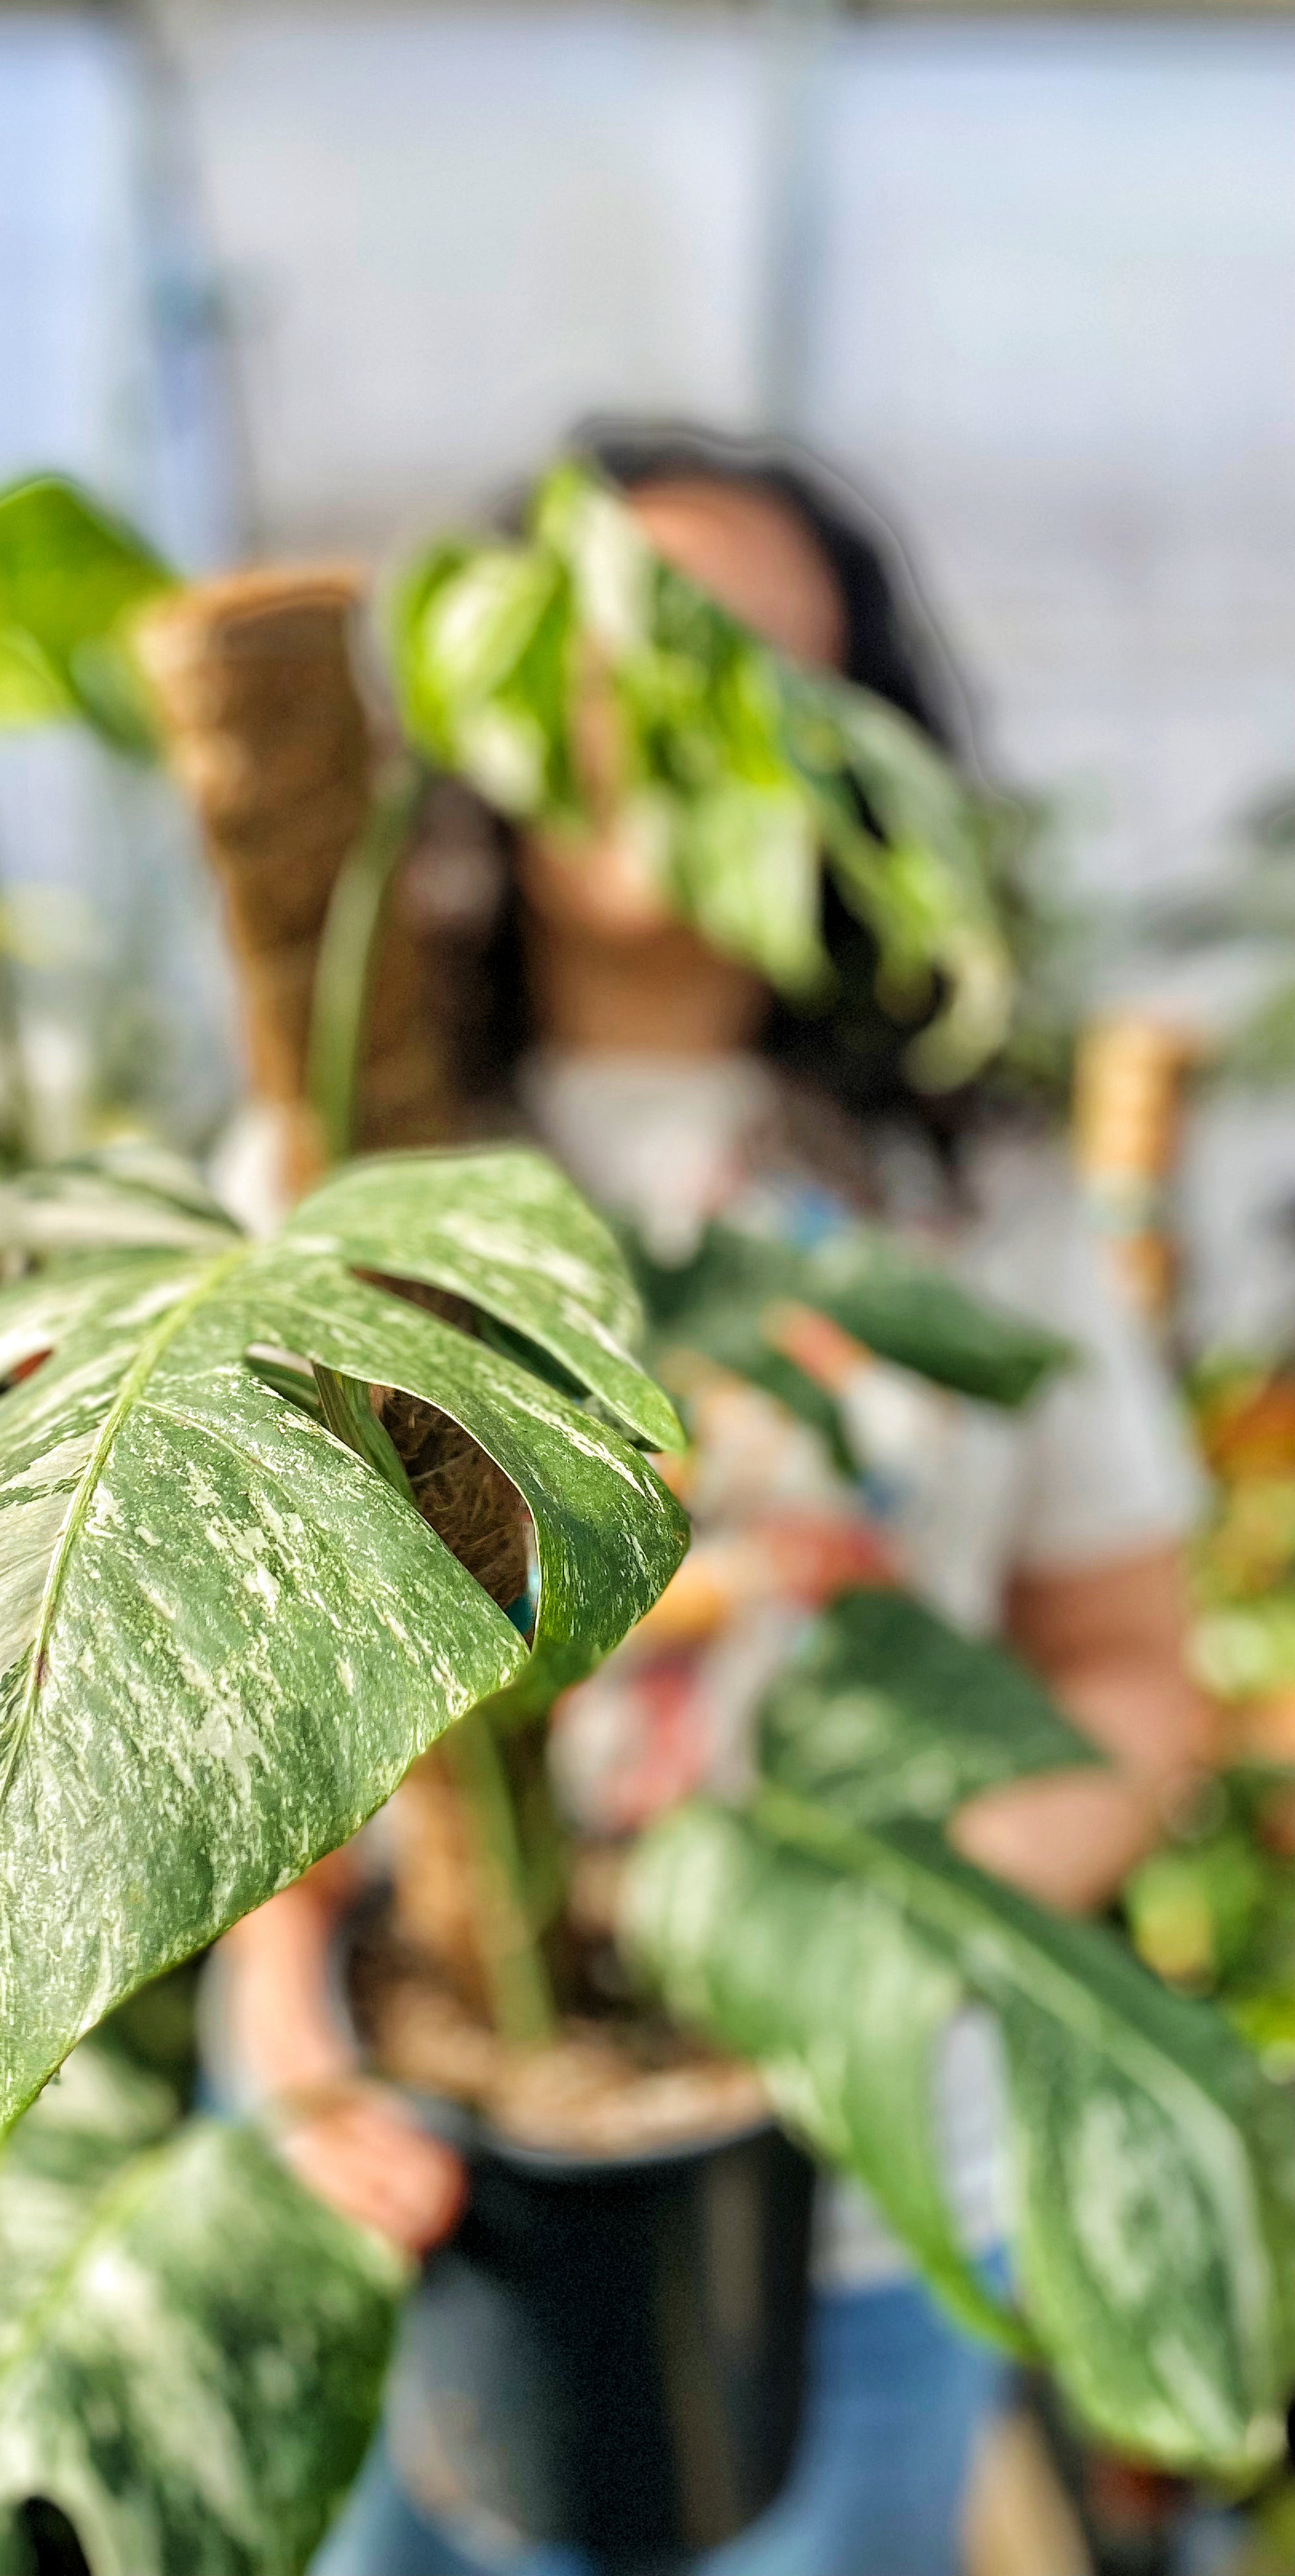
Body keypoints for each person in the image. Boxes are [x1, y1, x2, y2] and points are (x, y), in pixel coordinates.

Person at [208, 422, 1213, 2576]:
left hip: (851, 2195)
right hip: (423, 2144)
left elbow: (1130, 1672)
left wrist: (894, 1913)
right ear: (483, 701)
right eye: (607, 649)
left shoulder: (982, 1195)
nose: (671, 712)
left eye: (754, 659)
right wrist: (283, 2021)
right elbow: (230, 1697)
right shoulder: (332, 1176)